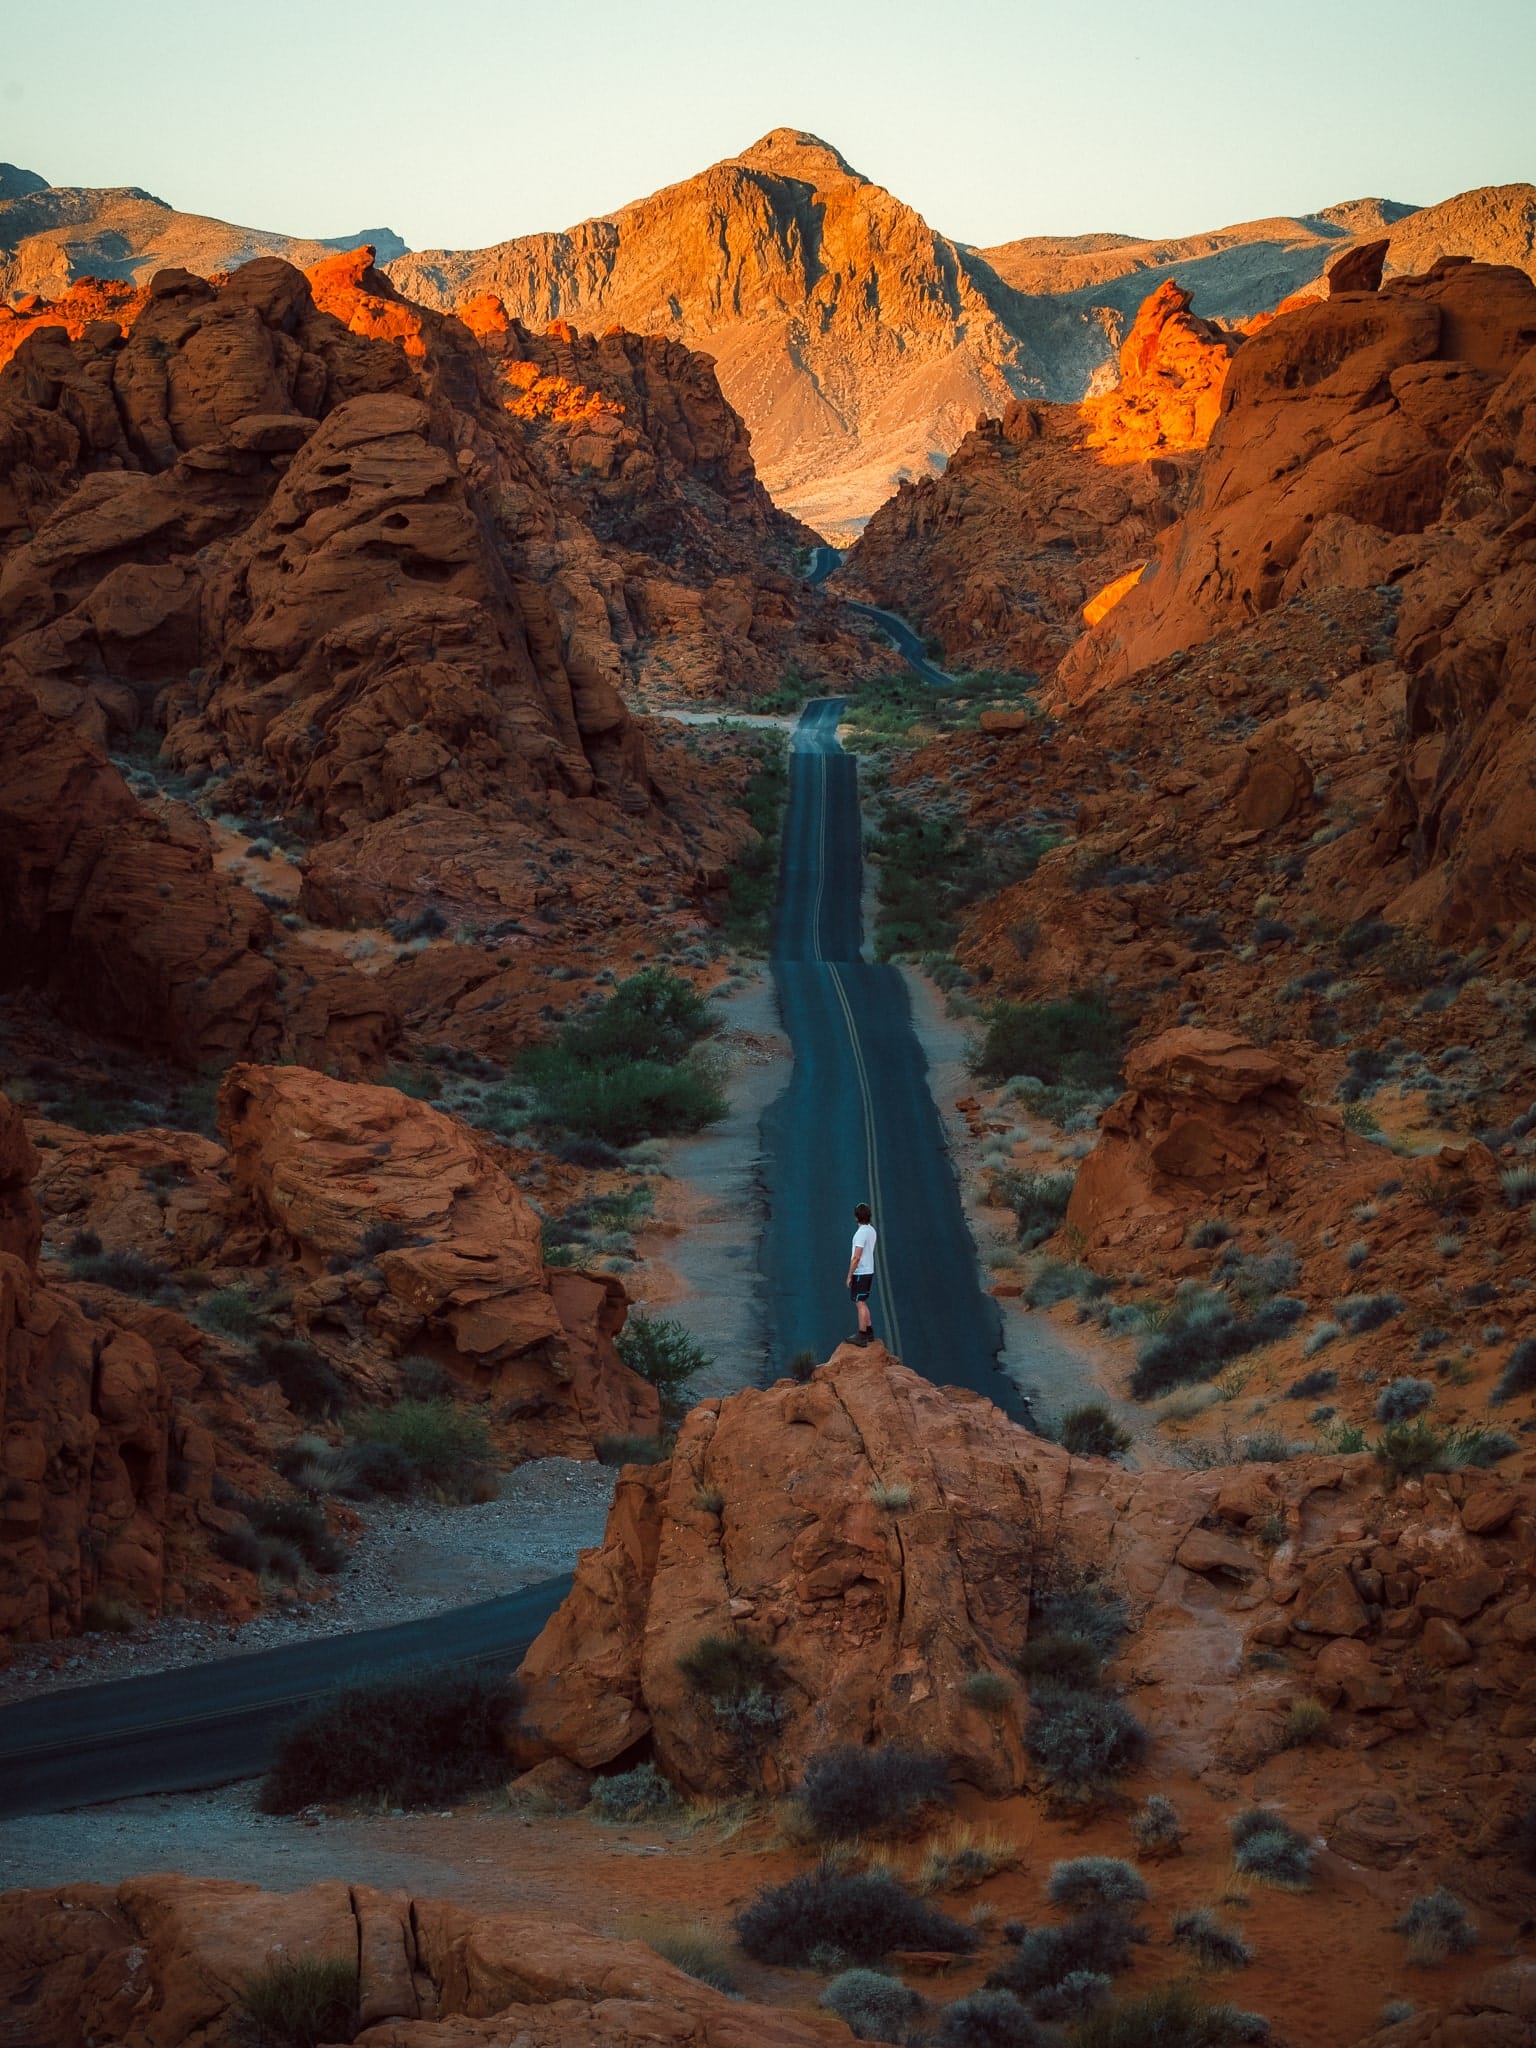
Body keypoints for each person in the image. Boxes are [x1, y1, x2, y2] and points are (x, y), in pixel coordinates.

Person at [846, 1202, 877, 1346]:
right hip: (869, 1270)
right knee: (863, 1302)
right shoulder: (871, 1231)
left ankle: (862, 1335)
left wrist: (850, 1275)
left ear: (856, 1217)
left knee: (860, 1304)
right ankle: (869, 1331)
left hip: (861, 1272)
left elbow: (856, 1257)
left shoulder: (860, 1234)